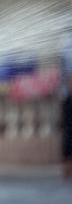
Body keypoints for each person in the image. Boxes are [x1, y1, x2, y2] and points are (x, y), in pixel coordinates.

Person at [60, 31, 72, 179]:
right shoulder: (69, 42)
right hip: (70, 97)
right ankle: (67, 167)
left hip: (67, 96)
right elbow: (70, 75)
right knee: (70, 133)